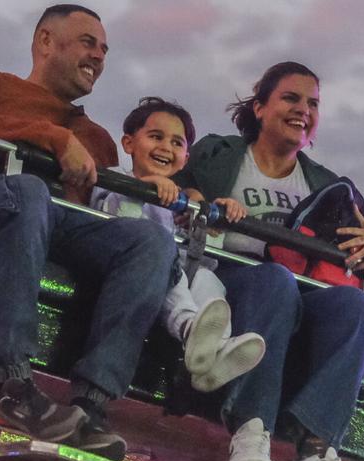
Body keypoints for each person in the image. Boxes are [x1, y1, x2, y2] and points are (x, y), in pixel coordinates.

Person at [0, 4, 178, 459]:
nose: (99, 56)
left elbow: (106, 205)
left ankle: (91, 404)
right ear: (45, 41)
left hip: (57, 224)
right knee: (28, 192)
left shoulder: (95, 138)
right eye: (88, 43)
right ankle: (14, 384)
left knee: (149, 240)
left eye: (104, 50)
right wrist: (53, 138)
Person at [175, 61, 364, 461]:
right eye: (291, 99)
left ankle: (314, 453)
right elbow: (175, 192)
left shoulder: (326, 184)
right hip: (230, 281)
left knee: (354, 305)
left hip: (301, 298)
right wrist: (200, 202)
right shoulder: (219, 155)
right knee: (273, 279)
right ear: (260, 107)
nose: (303, 110)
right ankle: (251, 426)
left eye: (313, 103)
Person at [93, 97, 264, 393]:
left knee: (208, 278)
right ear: (129, 143)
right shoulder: (114, 178)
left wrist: (212, 222)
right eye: (155, 137)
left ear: (185, 158)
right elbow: (117, 222)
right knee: (165, 257)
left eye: (176, 143)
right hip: (128, 269)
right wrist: (147, 189)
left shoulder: (182, 203)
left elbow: (203, 260)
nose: (165, 148)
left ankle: (212, 354)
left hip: (171, 276)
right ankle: (189, 327)